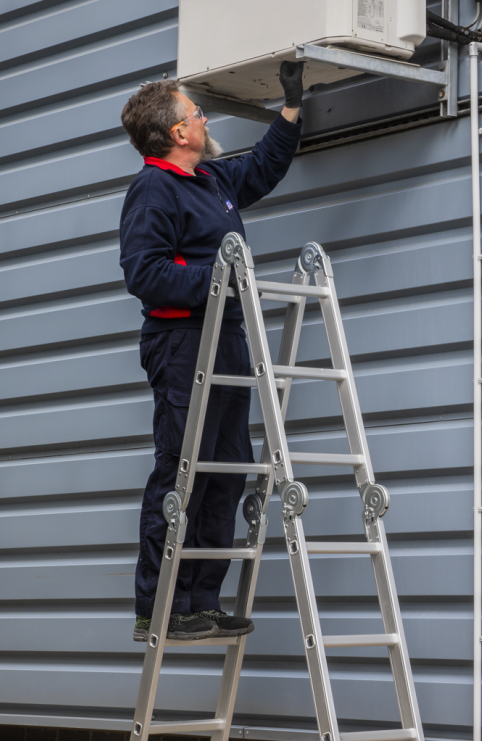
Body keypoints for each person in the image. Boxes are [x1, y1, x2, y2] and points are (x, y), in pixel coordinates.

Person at [119, 63, 304, 642]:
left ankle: (202, 600)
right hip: (182, 344)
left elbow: (263, 167)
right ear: (178, 133)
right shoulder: (152, 189)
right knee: (183, 471)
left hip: (226, 339)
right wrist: (218, 279)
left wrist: (292, 108)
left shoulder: (211, 180)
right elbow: (145, 272)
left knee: (224, 471)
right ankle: (160, 606)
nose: (204, 118)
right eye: (196, 113)